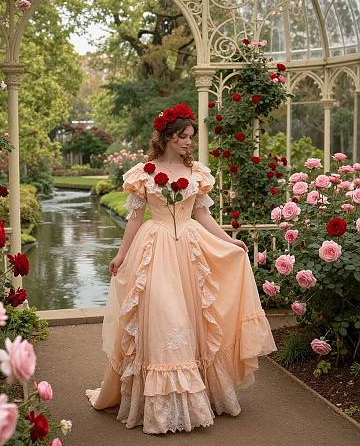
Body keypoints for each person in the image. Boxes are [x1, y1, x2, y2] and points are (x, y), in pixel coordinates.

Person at [85, 103, 277, 434]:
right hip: (155, 249)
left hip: (190, 249)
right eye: (184, 136)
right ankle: (161, 408)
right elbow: (134, 219)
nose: (190, 142)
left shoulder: (197, 173)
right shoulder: (144, 172)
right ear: (169, 138)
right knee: (166, 319)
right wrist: (120, 255)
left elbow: (202, 215)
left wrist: (229, 240)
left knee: (193, 320)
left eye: (190, 137)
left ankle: (200, 395)